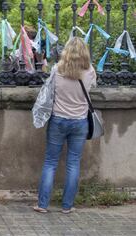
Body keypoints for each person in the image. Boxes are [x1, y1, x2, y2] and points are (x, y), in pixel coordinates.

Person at [33, 37, 96, 214]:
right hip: (80, 122)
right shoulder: (89, 71)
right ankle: (67, 206)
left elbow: (49, 91)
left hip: (58, 120)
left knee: (50, 162)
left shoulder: (57, 69)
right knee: (73, 163)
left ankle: (42, 205)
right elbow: (92, 86)